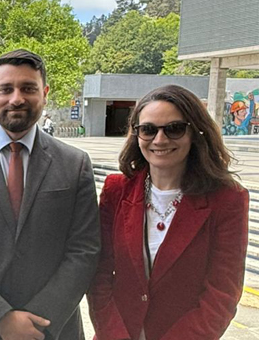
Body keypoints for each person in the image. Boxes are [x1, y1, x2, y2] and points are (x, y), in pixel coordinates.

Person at [0, 49, 100, 340]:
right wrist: (0, 318)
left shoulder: (75, 164)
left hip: (53, 329)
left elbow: (84, 249)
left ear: (45, 93)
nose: (17, 98)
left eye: (28, 88)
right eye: (6, 89)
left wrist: (38, 323)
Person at [88, 84, 249, 340]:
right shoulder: (116, 190)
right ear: (136, 135)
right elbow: (99, 276)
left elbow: (222, 293)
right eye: (148, 130)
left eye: (174, 129)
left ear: (195, 133)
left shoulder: (227, 199)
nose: (160, 140)